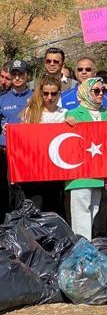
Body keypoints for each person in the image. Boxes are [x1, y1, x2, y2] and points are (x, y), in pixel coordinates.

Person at [63, 78, 107, 240]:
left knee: (94, 210)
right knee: (80, 215)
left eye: (103, 91)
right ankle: (82, 252)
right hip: (80, 173)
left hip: (100, 173)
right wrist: (65, 123)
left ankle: (87, 247)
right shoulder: (72, 114)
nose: (101, 94)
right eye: (96, 91)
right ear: (85, 93)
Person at [18, 75, 67, 214]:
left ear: (59, 93)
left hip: (56, 171)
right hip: (34, 169)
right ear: (41, 93)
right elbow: (23, 140)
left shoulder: (64, 113)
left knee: (54, 207)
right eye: (46, 93)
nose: (49, 97)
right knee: (35, 206)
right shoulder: (30, 112)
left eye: (53, 93)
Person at [0, 60, 33, 219]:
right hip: (6, 153)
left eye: (21, 74)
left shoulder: (36, 98)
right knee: (8, 192)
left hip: (29, 153)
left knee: (27, 192)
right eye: (14, 74)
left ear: (28, 76)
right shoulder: (2, 99)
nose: (18, 77)